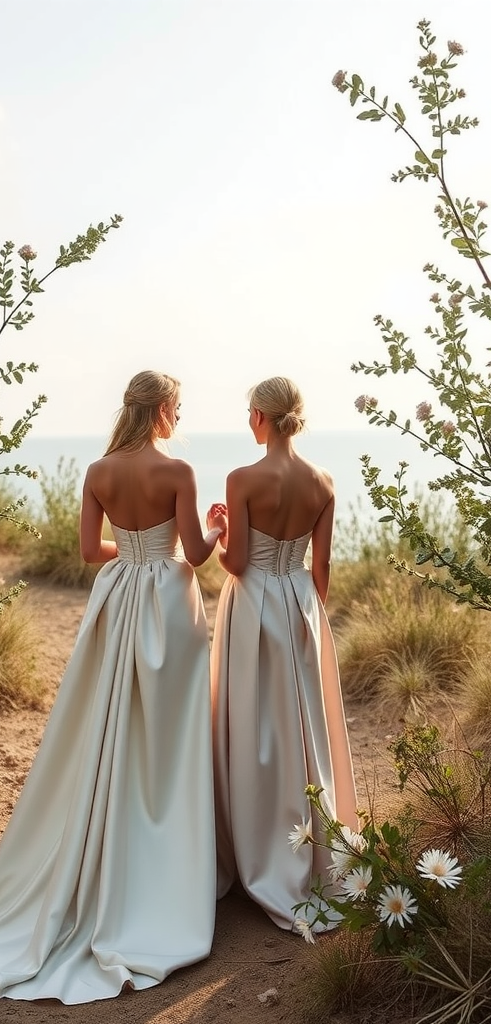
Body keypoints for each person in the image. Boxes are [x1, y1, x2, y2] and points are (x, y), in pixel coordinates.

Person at [0, 370, 227, 1003]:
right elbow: (195, 554)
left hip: (117, 599)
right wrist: (218, 528)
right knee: (166, 738)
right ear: (164, 410)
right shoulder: (177, 472)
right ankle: (163, 862)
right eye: (179, 406)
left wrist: (136, 554)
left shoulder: (97, 470)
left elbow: (92, 551)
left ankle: (105, 849)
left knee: (111, 720)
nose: (180, 416)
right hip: (168, 607)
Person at [208, 375, 357, 933]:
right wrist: (307, 613)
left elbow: (237, 563)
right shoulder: (323, 481)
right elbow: (322, 570)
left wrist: (220, 530)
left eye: (250, 412)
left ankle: (255, 847)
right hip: (300, 604)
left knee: (255, 725)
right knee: (302, 724)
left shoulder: (242, 478)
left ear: (260, 418)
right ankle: (312, 843)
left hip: (253, 607)